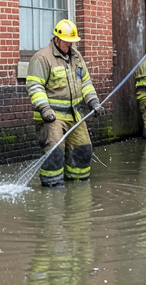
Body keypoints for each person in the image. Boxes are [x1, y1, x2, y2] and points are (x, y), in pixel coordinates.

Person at [26, 19, 104, 188]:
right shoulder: (41, 58)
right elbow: (35, 86)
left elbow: (85, 82)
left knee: (83, 147)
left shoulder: (76, 57)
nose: (70, 47)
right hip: (52, 116)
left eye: (72, 43)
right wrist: (44, 109)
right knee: (55, 150)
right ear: (57, 39)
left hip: (75, 115)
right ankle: (52, 186)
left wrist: (93, 101)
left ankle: (78, 185)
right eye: (68, 43)